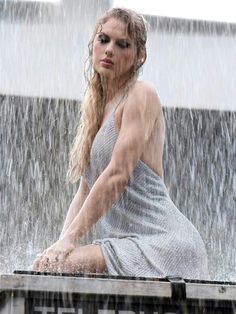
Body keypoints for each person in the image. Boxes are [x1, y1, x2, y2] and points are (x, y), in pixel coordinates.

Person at [32, 7, 209, 279]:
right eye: (103, 40)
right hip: (127, 242)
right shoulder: (97, 110)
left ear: (139, 57)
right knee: (47, 266)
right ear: (93, 45)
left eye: (122, 44)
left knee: (57, 267)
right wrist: (61, 243)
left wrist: (69, 242)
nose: (109, 50)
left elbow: (117, 175)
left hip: (166, 243)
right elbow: (84, 192)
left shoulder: (141, 94)